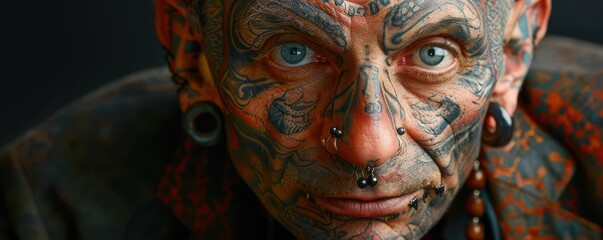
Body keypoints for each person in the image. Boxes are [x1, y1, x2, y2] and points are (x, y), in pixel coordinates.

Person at [1, 0, 602, 239]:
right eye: (294, 54)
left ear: (515, 50)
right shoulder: (51, 208)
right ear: (192, 51)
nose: (368, 145)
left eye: (432, 54)